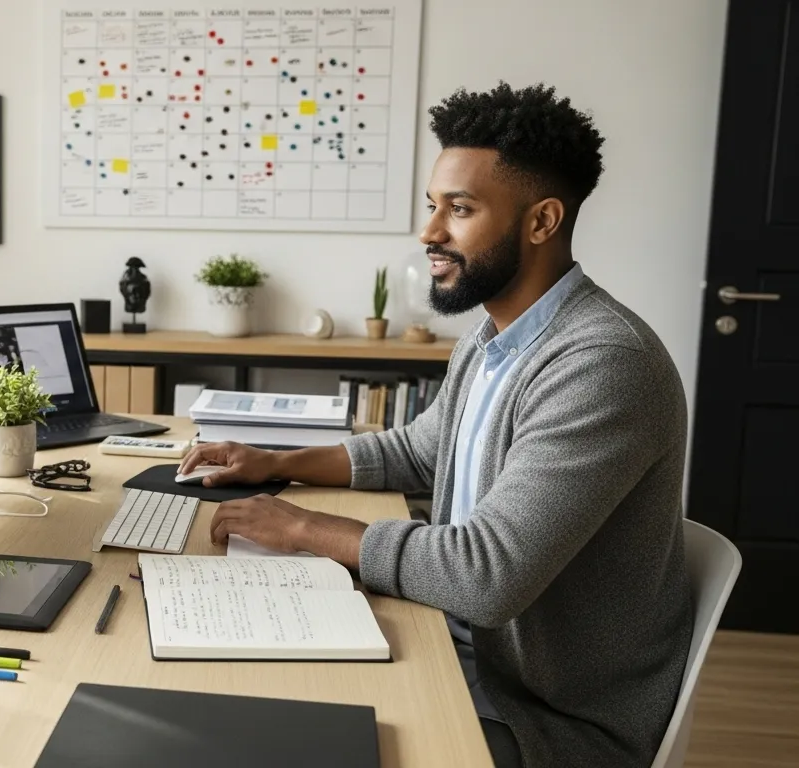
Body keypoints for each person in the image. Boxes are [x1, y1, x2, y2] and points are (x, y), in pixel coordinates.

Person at [179, 83, 691, 768]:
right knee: (237, 692)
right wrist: (276, 462)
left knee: (265, 734)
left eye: (461, 209)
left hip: (544, 721)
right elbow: (421, 453)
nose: (429, 232)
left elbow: (487, 576)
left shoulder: (603, 364)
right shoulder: (493, 337)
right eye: (432, 206)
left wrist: (303, 527)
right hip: (458, 653)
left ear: (541, 222)